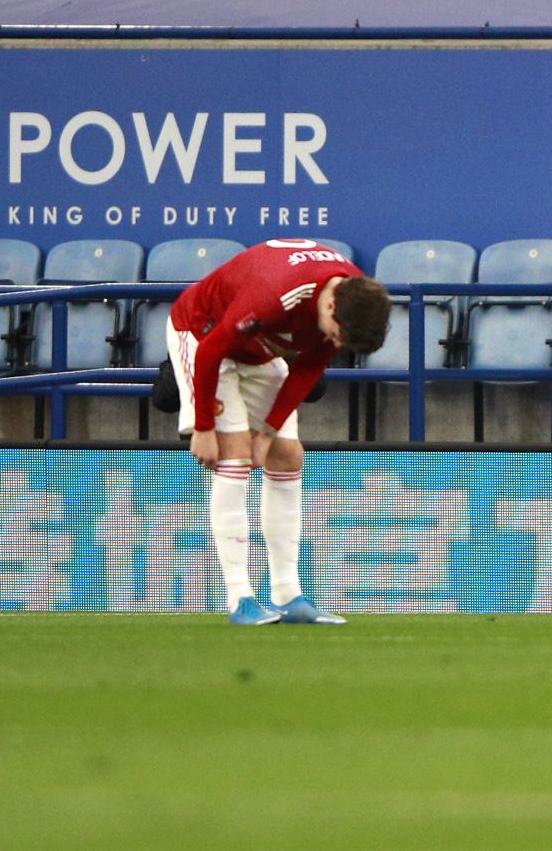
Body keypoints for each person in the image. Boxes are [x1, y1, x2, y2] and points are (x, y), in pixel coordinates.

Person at [167, 237, 391, 625]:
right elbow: (212, 350)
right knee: (233, 454)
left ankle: (288, 595)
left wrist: (268, 433)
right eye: (337, 337)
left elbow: (308, 367)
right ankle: (240, 598)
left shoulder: (352, 300)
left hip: (259, 349)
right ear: (331, 304)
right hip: (204, 333)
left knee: (288, 455)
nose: (335, 344)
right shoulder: (276, 294)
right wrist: (204, 427)